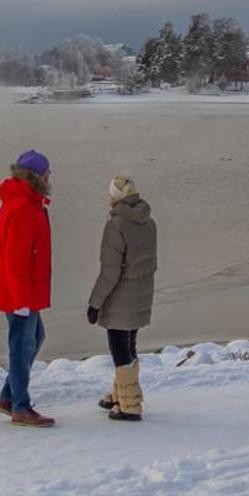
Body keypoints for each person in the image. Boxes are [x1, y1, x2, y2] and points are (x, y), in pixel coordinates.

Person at [0, 149, 56, 428]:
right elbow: (16, 258)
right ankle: (20, 406)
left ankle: (8, 397)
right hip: (19, 292)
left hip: (26, 289)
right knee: (22, 344)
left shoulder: (28, 201)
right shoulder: (23, 207)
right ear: (37, 175)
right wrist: (20, 300)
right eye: (48, 172)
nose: (51, 176)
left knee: (35, 337)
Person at [87, 174, 157, 422]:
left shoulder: (116, 225)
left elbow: (110, 271)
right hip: (142, 294)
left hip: (121, 297)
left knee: (119, 348)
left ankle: (130, 404)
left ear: (115, 198)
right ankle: (121, 393)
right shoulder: (148, 222)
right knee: (129, 344)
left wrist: (95, 303)